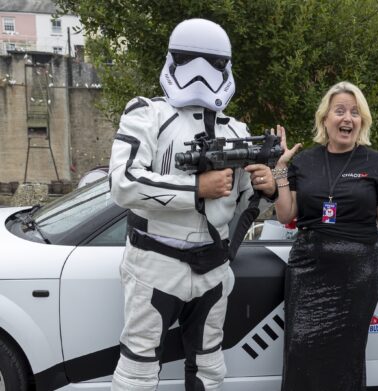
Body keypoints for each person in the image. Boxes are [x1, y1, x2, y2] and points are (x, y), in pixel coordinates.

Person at [108, 18, 276, 390]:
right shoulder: (147, 114)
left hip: (212, 265)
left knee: (209, 366)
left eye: (212, 63)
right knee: (138, 365)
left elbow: (244, 203)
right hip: (155, 262)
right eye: (189, 58)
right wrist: (196, 187)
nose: (200, 72)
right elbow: (122, 183)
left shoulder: (237, 131)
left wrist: (268, 184)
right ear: (174, 60)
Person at [271, 81, 378, 391]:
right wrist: (279, 169)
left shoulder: (375, 162)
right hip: (309, 269)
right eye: (340, 111)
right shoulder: (304, 161)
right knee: (300, 350)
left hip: (357, 273)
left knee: (346, 357)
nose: (348, 118)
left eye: (355, 113)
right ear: (325, 119)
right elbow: (285, 214)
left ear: (362, 121)